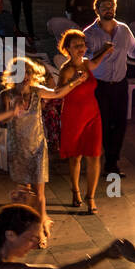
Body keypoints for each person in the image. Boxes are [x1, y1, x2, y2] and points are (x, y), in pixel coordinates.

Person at [0, 56, 86, 246]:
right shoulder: (6, 95)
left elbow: (58, 93)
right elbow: (1, 121)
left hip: (37, 148)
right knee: (24, 194)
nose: (25, 76)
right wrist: (12, 111)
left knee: (39, 192)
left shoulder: (37, 92)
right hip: (18, 148)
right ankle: (28, 226)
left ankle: (40, 231)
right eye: (21, 73)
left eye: (28, 72)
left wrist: (75, 81)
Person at [83, 0, 135, 178]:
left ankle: (112, 162)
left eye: (111, 6)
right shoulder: (89, 33)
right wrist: (102, 51)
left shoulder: (123, 29)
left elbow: (134, 52)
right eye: (104, 7)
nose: (109, 10)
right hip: (100, 85)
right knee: (105, 123)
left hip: (120, 83)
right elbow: (86, 59)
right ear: (97, 10)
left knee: (121, 123)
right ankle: (107, 161)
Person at [54, 29, 106, 211]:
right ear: (67, 48)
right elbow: (58, 93)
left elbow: (96, 62)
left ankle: (90, 196)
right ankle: (75, 191)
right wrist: (74, 81)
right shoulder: (67, 69)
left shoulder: (86, 63)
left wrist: (106, 50)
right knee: (76, 157)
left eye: (82, 45)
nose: (80, 48)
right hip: (73, 117)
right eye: (76, 46)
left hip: (93, 114)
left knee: (94, 155)